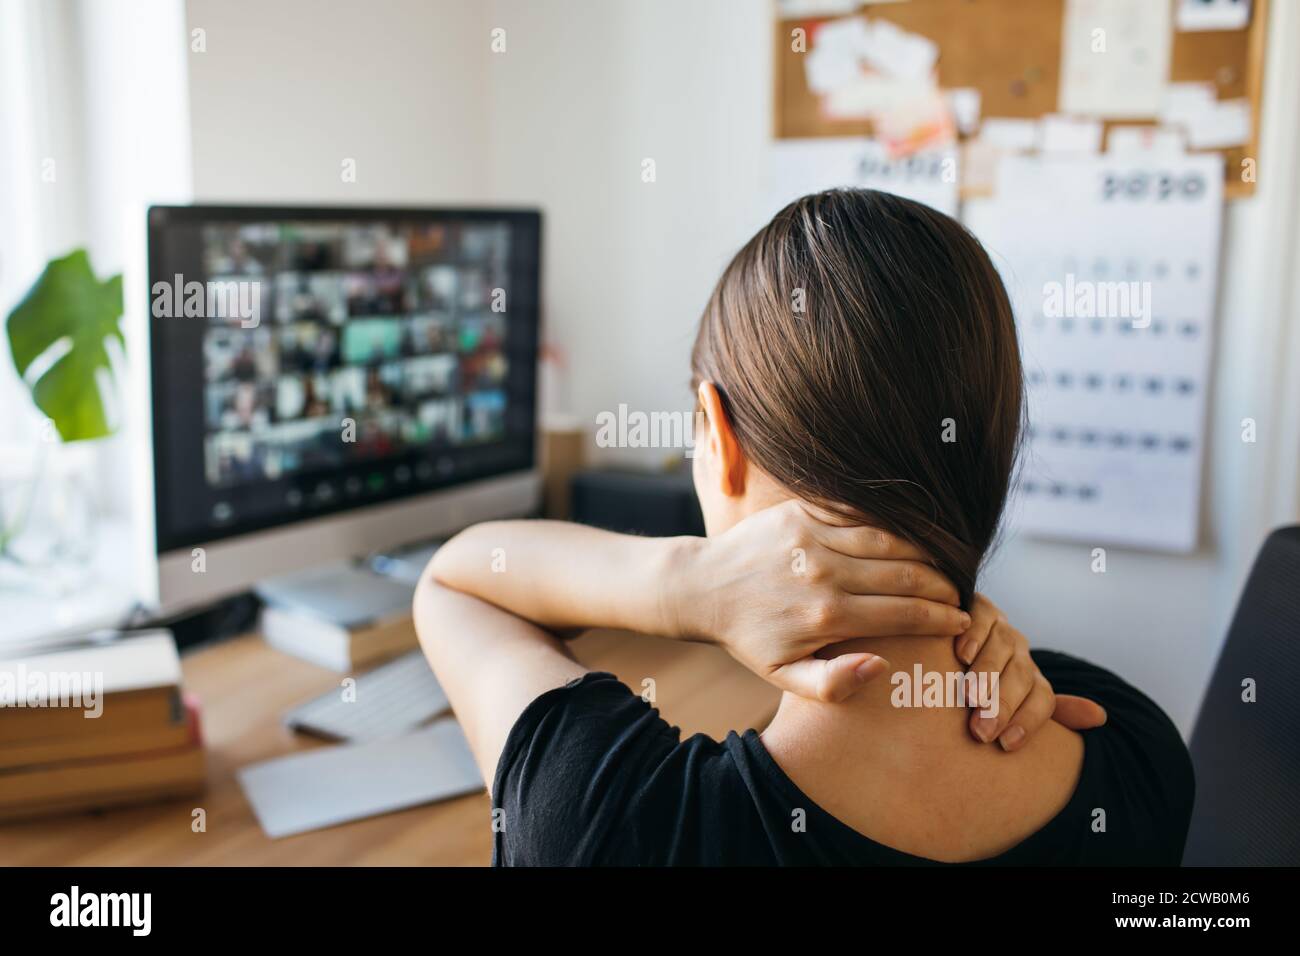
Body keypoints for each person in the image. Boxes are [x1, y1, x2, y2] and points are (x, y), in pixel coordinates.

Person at [413, 189, 1194, 865]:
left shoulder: (606, 825)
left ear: (719, 440)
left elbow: (457, 581)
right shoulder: (1133, 748)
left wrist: (685, 587)